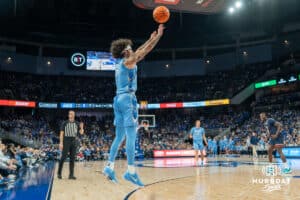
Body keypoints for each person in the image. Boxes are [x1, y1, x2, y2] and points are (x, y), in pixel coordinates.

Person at [103, 24, 165, 187]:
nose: (132, 47)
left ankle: (109, 167)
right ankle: (131, 172)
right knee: (131, 136)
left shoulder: (121, 62)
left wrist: (150, 39)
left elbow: (140, 51)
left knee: (119, 137)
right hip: (128, 100)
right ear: (125, 51)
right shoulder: (129, 61)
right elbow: (143, 52)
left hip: (118, 100)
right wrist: (157, 37)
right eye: (129, 46)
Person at [57, 110, 84, 179]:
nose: (71, 115)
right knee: (63, 157)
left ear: (74, 115)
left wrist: (81, 127)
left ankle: (71, 175)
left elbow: (81, 133)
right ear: (69, 115)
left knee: (72, 158)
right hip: (66, 140)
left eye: (73, 114)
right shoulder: (65, 123)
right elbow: (61, 133)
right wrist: (61, 143)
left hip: (74, 141)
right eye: (70, 114)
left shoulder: (77, 123)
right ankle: (59, 173)